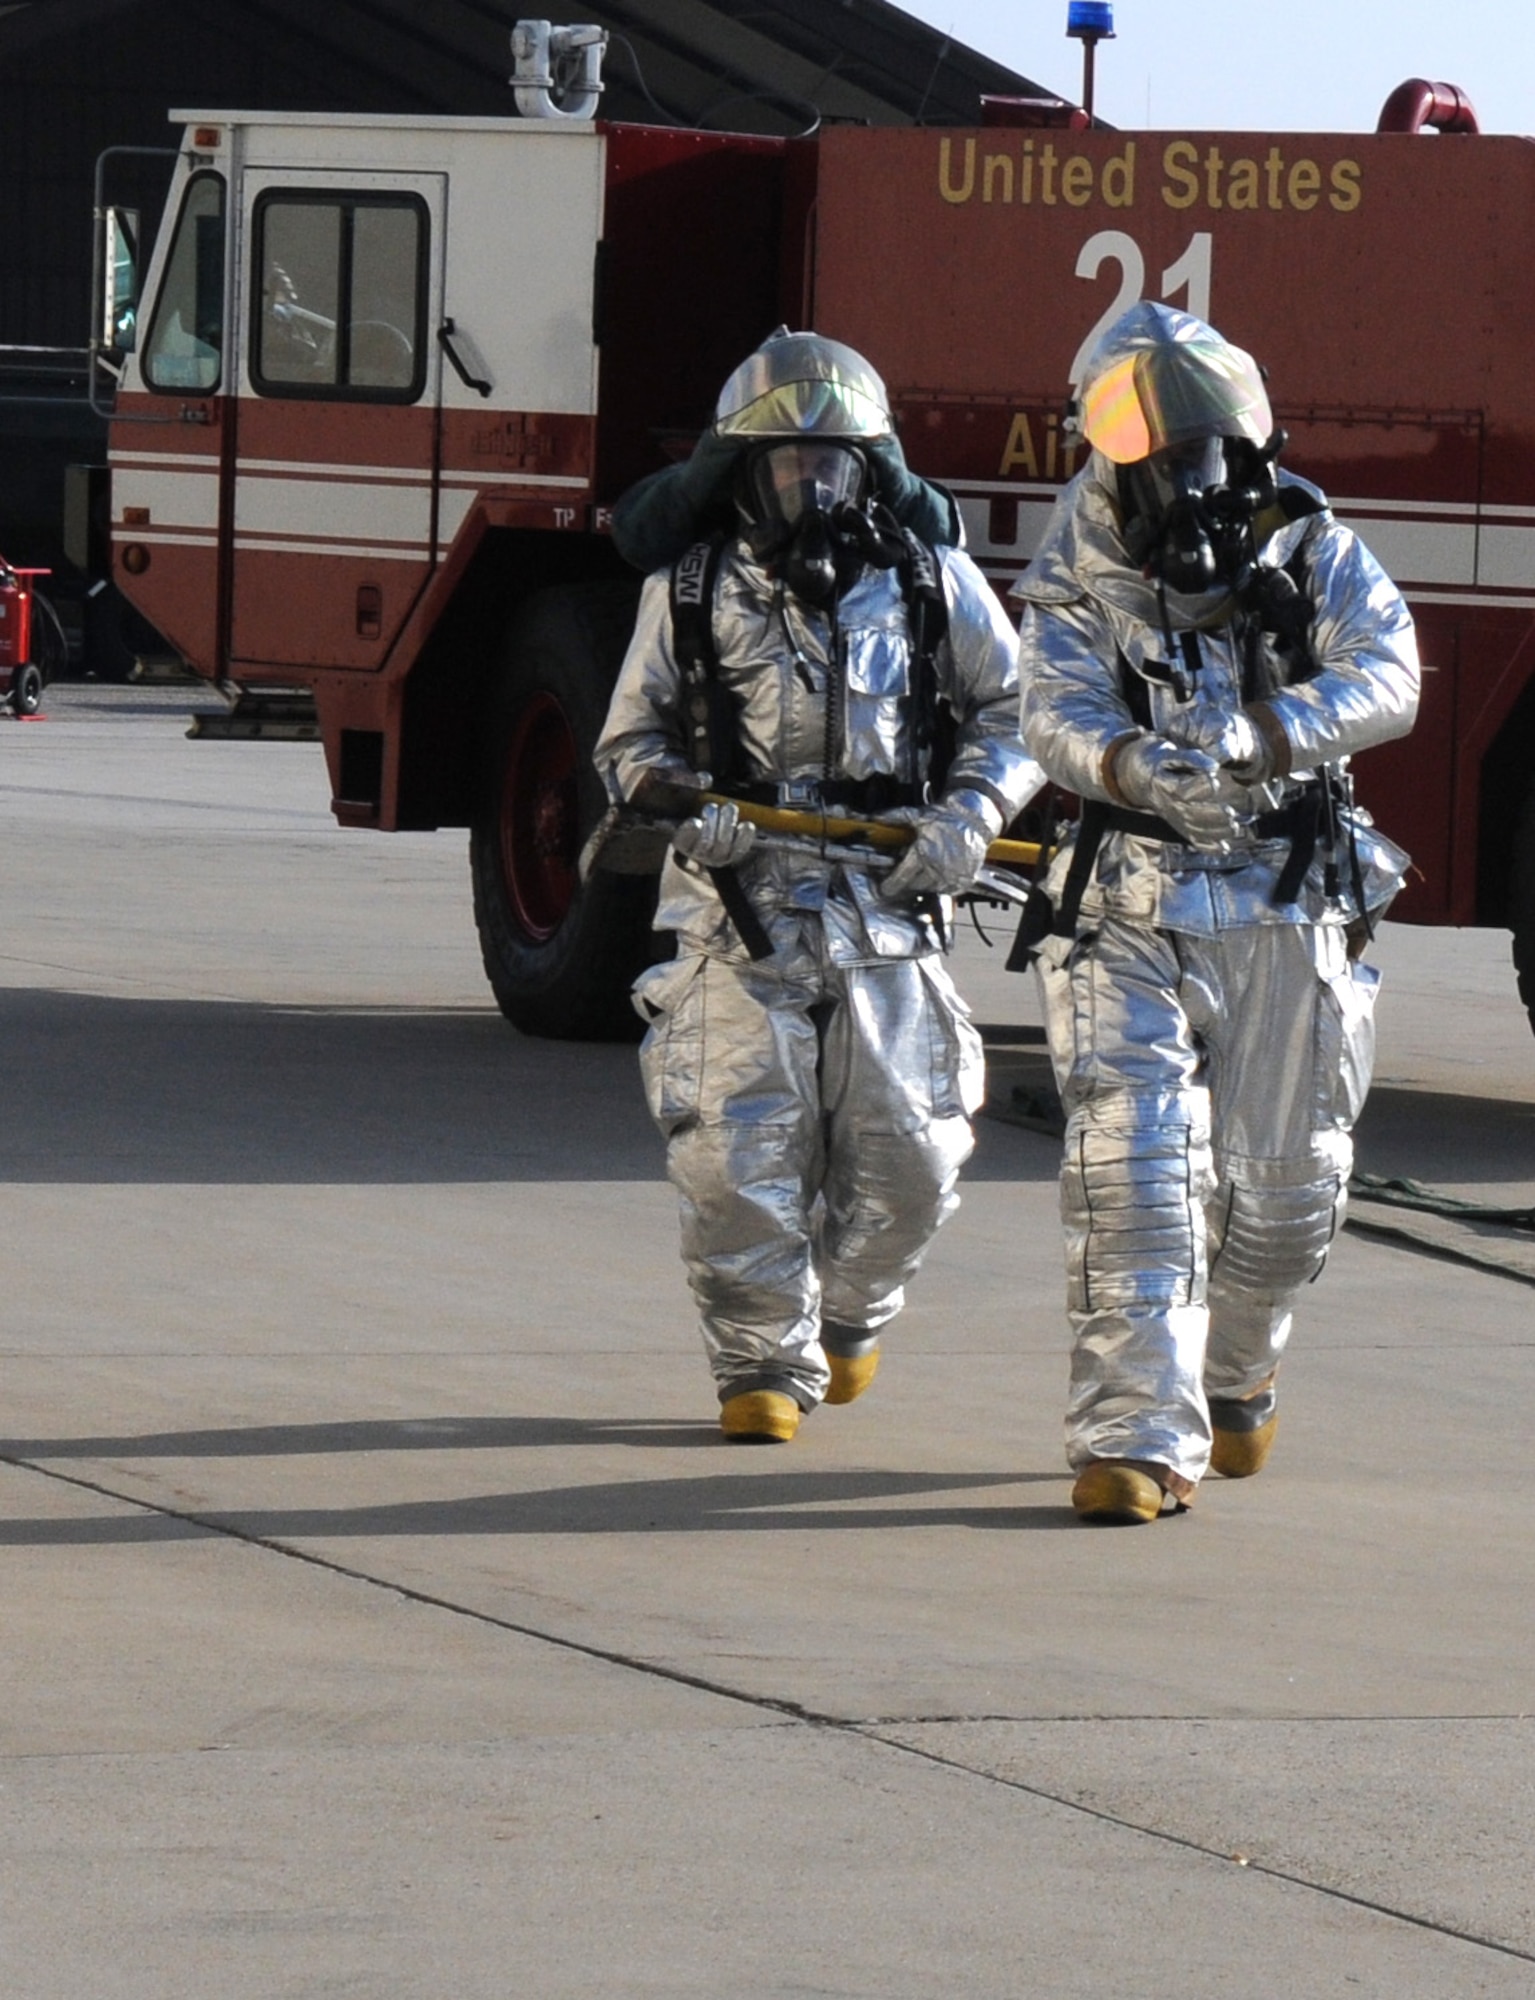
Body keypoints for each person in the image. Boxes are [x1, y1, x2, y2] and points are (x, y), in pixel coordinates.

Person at [1013, 302, 1419, 1525]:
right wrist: (1134, 768)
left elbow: (1388, 669)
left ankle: (1234, 1369)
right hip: (1127, 908)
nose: (1187, 480)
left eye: (1204, 452)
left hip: (1288, 902)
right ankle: (1131, 1437)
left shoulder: (1311, 543)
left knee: (1283, 1193)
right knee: (1133, 1175)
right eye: (1160, 456)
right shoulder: (1074, 566)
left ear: (1240, 445)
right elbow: (1052, 712)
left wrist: (1269, 728)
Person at [595, 330, 1040, 1442]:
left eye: (833, 464)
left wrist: (966, 815)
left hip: (889, 912)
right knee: (732, 1159)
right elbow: (625, 742)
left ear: (869, 470)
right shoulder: (687, 589)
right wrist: (679, 799)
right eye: (789, 464)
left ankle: (849, 1315)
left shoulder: (932, 581)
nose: (812, 486)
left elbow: (1016, 714)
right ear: (744, 472)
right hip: (737, 916)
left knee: (914, 1154)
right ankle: (756, 1364)